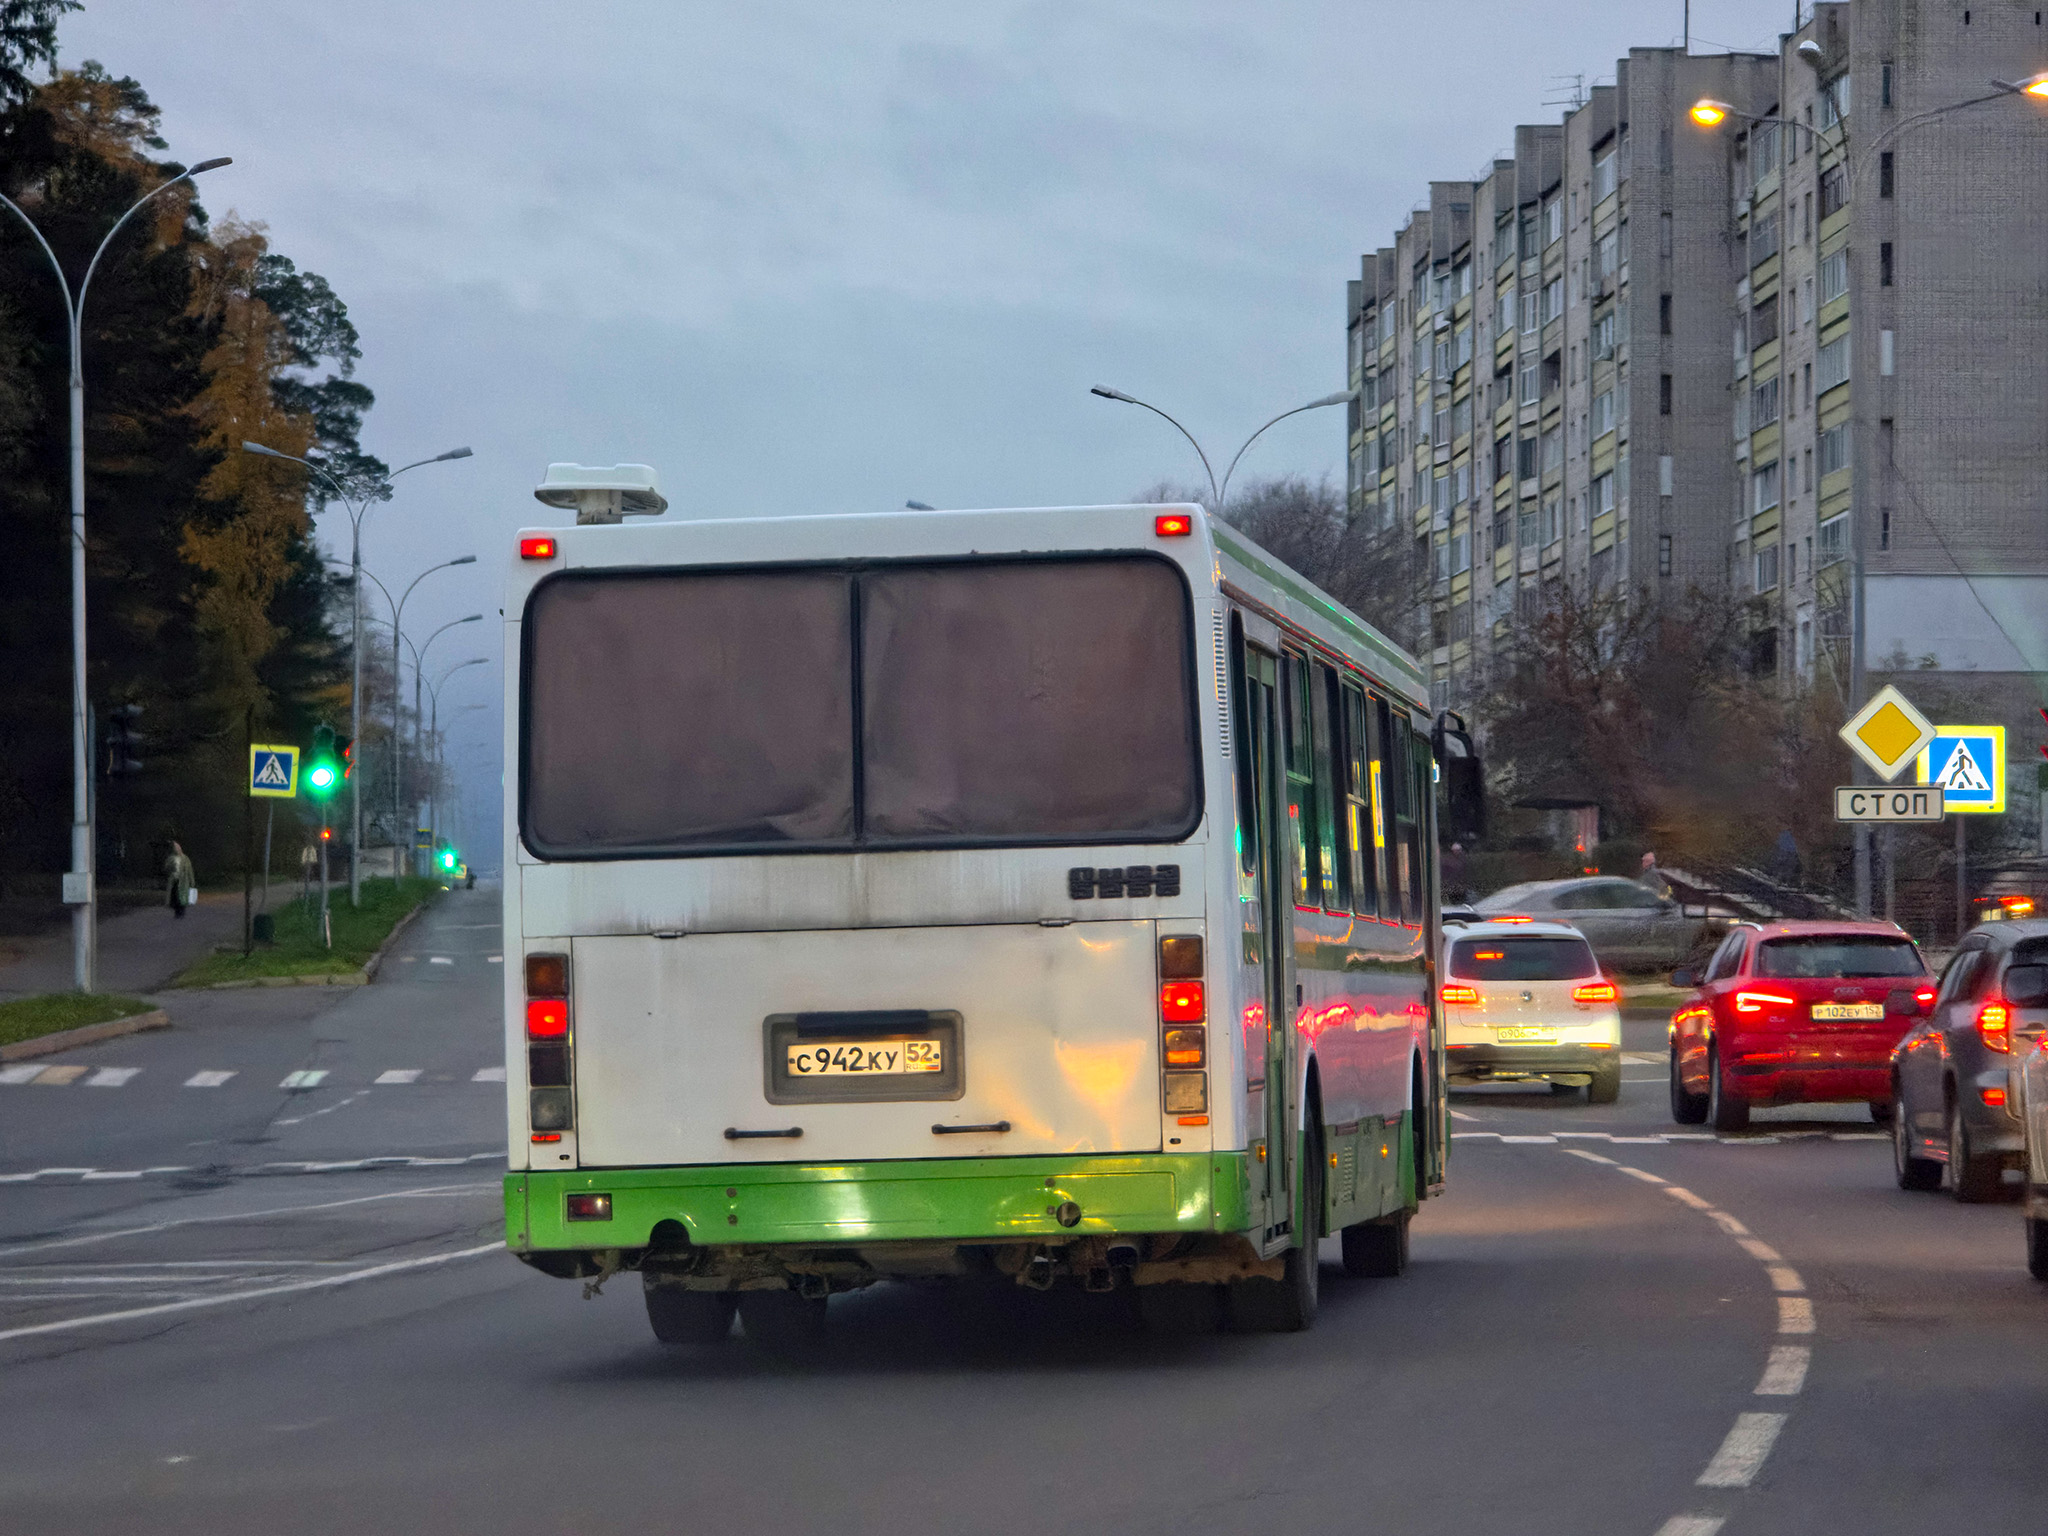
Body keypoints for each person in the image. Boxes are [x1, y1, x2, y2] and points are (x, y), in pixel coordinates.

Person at [164, 840, 196, 920]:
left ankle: (182, 911)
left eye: (178, 847)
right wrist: (171, 866)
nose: (177, 849)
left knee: (182, 897)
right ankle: (177, 912)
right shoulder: (171, 858)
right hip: (174, 880)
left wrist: (192, 881)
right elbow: (166, 868)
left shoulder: (185, 858)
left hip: (183, 881)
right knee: (175, 897)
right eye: (175, 848)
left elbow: (189, 870)